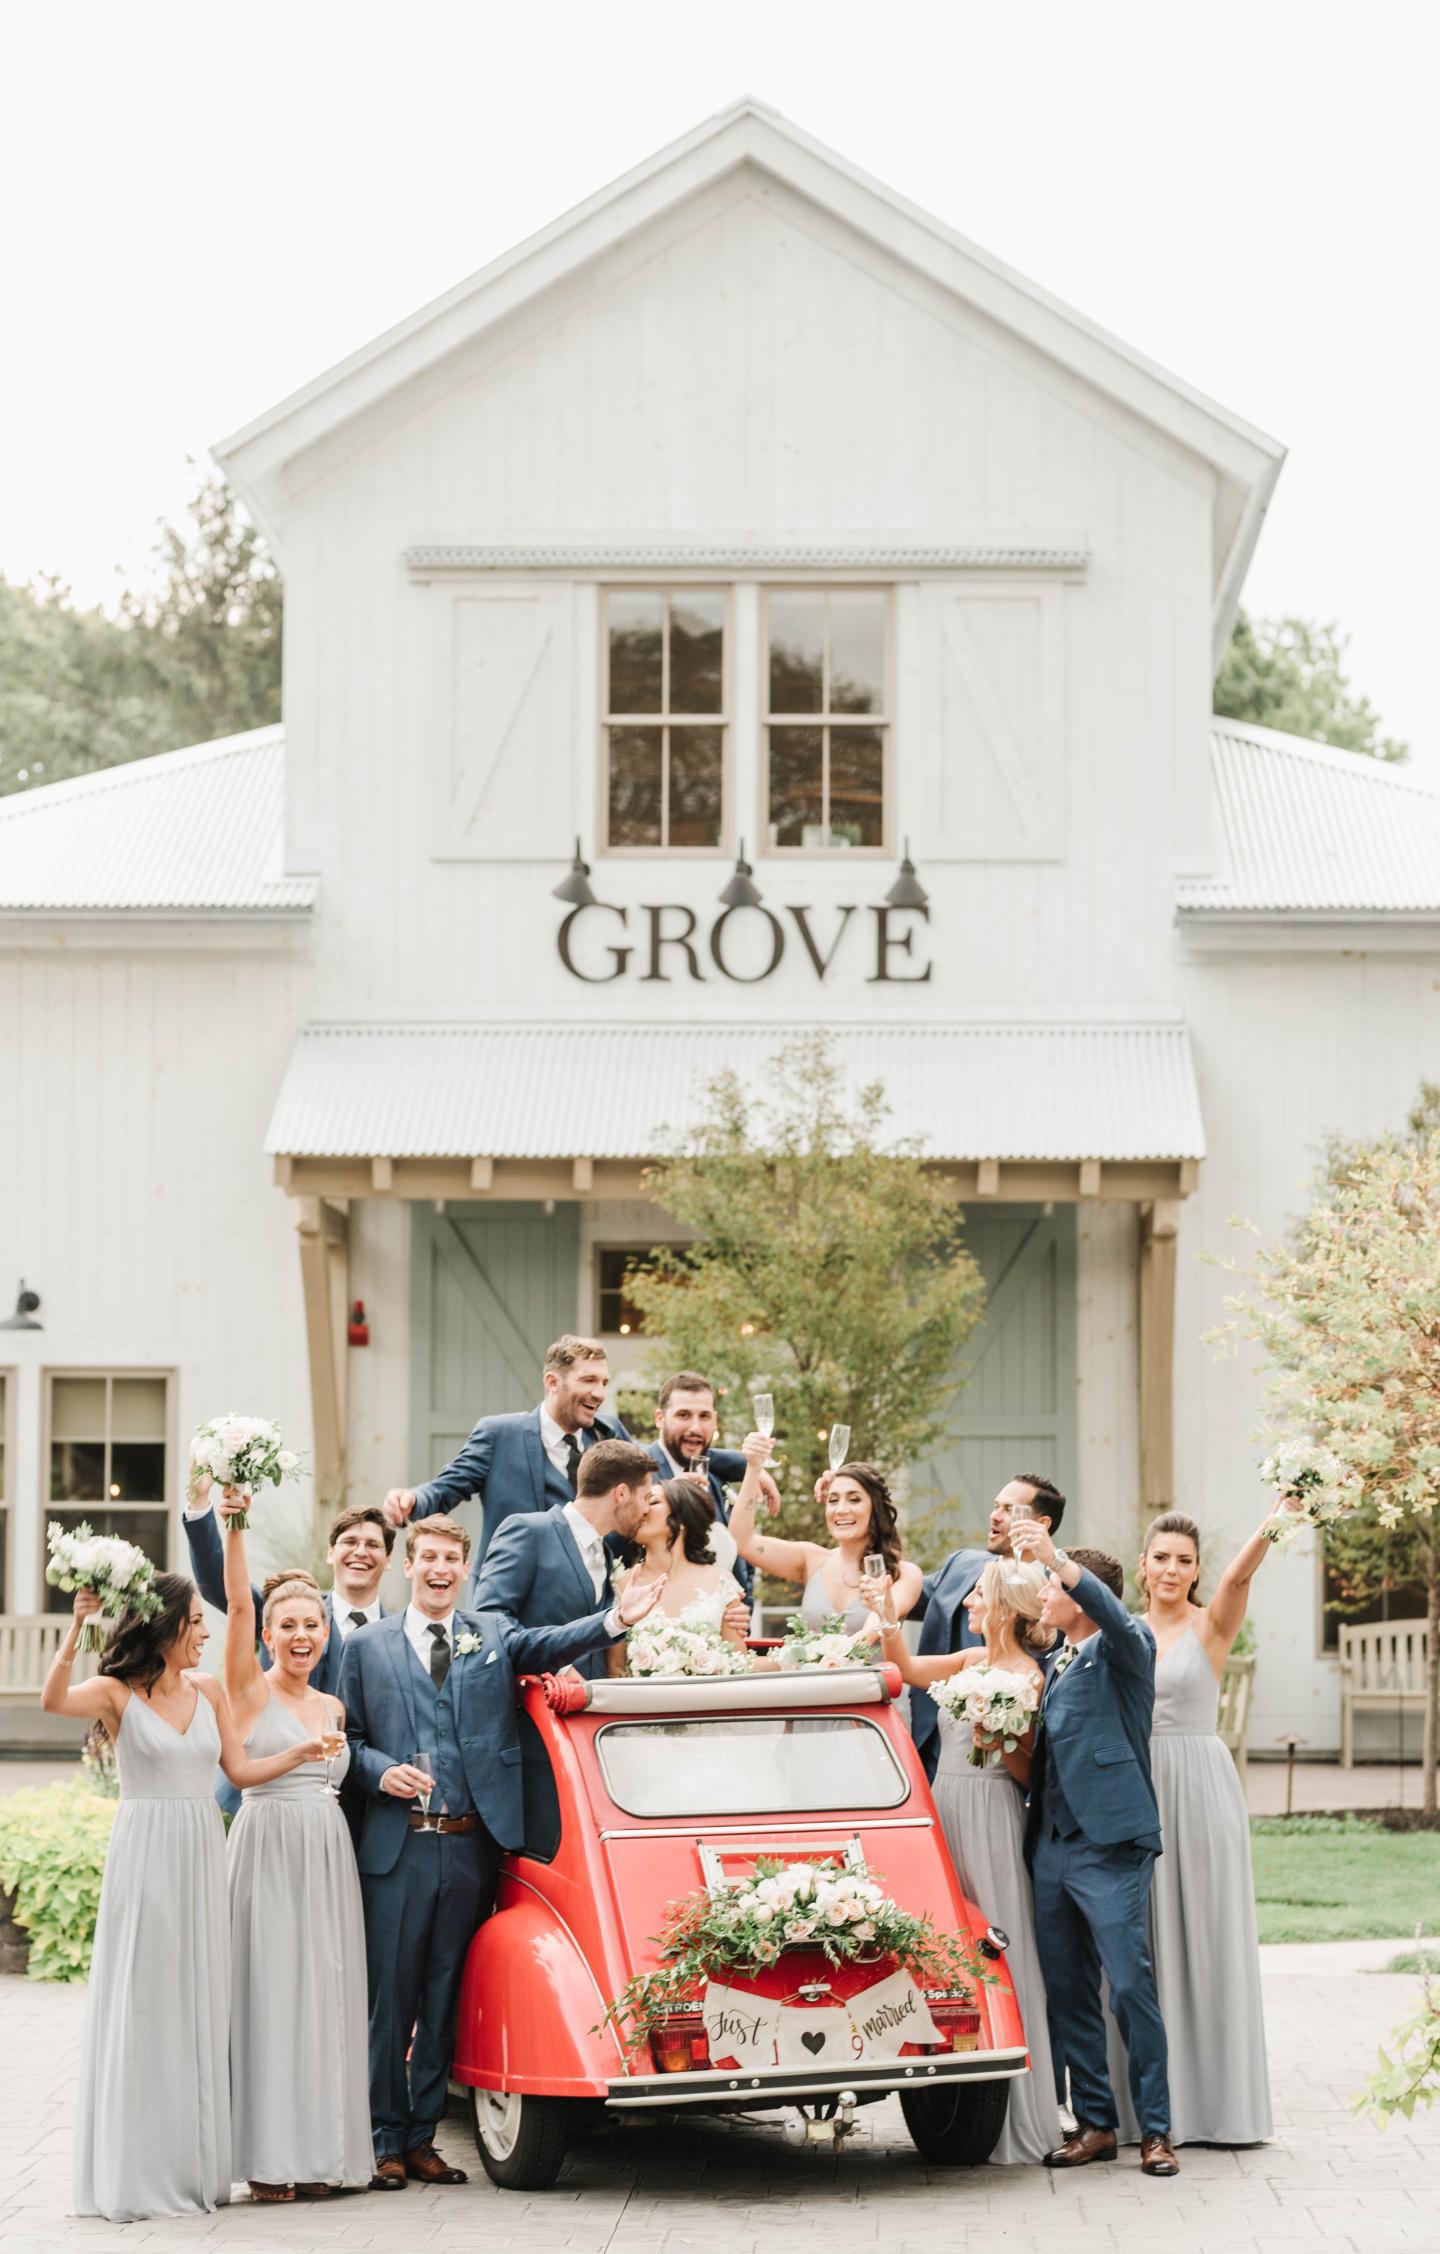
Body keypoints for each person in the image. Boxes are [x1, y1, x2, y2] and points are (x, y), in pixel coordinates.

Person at [340, 1514, 666, 2190]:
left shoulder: (488, 1635)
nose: (437, 1569)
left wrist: (613, 1621)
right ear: (408, 1566)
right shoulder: (366, 1647)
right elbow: (351, 1739)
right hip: (395, 1850)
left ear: (465, 1570)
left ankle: (424, 2137)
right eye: (426, 1556)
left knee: (444, 1994)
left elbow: (549, 1642)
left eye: (450, 1559)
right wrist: (378, 1772)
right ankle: (382, 2141)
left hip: (468, 1847)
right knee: (389, 2002)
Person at [39, 1573, 316, 2221]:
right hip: (144, 1857)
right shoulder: (115, 1693)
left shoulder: (210, 1689)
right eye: (194, 1622)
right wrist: (77, 1624)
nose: (204, 1632)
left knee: (196, 2005)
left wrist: (300, 1753)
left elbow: (239, 1772)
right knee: (147, 2007)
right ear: (163, 1627)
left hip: (199, 1852)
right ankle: (137, 2172)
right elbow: (53, 1700)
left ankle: (189, 2166)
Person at [1105, 1503, 1296, 2146]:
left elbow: (1239, 1582)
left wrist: (1276, 1517)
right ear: (1142, 1565)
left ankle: (1220, 2109)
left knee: (1208, 1939)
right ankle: (1142, 2111)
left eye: (1184, 1560)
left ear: (1196, 1571)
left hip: (1200, 1785)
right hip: (1137, 1789)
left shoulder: (1211, 1625)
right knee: (1140, 1944)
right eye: (1161, 1557)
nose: (1171, 1569)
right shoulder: (1119, 1630)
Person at [862, 1554, 1061, 2163]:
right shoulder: (973, 1662)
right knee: (945, 1945)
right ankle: (953, 2105)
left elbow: (1032, 1776)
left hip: (994, 1811)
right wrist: (885, 1613)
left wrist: (1000, 1739)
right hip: (943, 1806)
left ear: (1005, 1607)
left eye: (977, 1597)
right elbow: (906, 1668)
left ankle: (1018, 2115)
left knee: (999, 1941)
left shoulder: (1030, 1676)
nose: (968, 1604)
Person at [216, 1497, 373, 2202]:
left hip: (325, 1858)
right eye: (289, 1626)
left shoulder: (334, 1709)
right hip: (267, 1852)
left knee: (323, 1999)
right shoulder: (248, 1693)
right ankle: (265, 2160)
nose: (302, 1634)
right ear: (270, 1635)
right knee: (270, 1997)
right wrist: (235, 1523)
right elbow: (239, 1610)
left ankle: (317, 2157)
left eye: (313, 1624)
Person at [1011, 1530, 1178, 2179]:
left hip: (1110, 1846)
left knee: (1130, 1985)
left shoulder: (1126, 1649)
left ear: (1086, 1594)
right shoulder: (1058, 1663)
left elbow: (1114, 1616)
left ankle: (1157, 2132)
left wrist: (1059, 1560)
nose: (1045, 1595)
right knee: (1068, 1991)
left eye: (1053, 1585)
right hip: (1052, 1849)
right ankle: (1097, 2124)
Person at [183, 1490, 393, 1819]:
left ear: (389, 1559)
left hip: (354, 1812)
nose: (360, 1552)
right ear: (330, 1552)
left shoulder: (400, 1635)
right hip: (263, 1800)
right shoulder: (286, 1609)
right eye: (350, 1541)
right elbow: (222, 1588)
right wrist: (203, 1507)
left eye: (373, 1545)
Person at [383, 1335, 627, 1569]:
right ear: (552, 1382)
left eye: (603, 1382)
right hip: (510, 1595)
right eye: (588, 1380)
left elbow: (646, 1490)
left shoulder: (609, 1434)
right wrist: (412, 1500)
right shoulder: (499, 1434)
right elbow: (444, 1489)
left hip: (591, 1600)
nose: (600, 1393)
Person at [911, 1473, 1067, 1783]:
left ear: (1042, 1524)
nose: (994, 1516)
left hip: (1007, 1779)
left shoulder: (1062, 1595)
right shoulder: (962, 1566)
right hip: (933, 1757)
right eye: (996, 1506)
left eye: (1008, 1510)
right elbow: (900, 1593)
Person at [474, 1438, 659, 1680]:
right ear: (621, 1493)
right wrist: (558, 1667)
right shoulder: (529, 1532)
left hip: (590, 1712)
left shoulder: (604, 1554)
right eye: (646, 1497)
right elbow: (490, 1622)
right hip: (532, 1711)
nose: (647, 1510)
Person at [729, 1434, 922, 1638]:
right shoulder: (811, 1560)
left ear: (876, 1508)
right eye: (833, 1500)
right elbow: (741, 1542)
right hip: (810, 1670)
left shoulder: (906, 1574)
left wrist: (828, 1657)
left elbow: (876, 1627)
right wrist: (753, 1468)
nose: (841, 1509)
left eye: (854, 1499)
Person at [646, 1370, 783, 1598]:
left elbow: (736, 1554)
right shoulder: (639, 1474)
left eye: (705, 1416)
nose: (696, 1428)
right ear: (660, 1418)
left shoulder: (717, 1475)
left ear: (715, 1420)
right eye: (683, 1415)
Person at [607, 1476, 753, 1672]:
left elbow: (738, 1664)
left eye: (653, 1502)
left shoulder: (721, 1581)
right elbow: (615, 1670)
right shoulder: (621, 1585)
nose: (642, 1509)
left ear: (682, 1519)